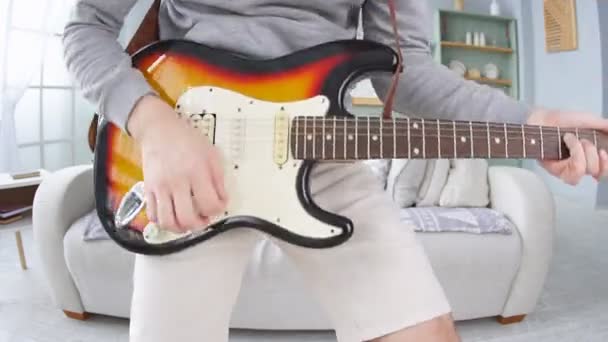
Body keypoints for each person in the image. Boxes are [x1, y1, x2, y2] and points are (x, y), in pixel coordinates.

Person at [63, 1, 608, 341]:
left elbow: (407, 73)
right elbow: (86, 29)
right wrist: (155, 127)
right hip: (184, 151)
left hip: (324, 155)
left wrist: (532, 122)